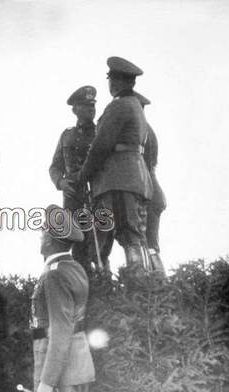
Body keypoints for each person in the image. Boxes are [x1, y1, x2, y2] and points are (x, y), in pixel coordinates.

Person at [75, 56, 154, 273]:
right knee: (134, 238)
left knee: (103, 239)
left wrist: (83, 175)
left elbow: (101, 146)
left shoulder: (118, 107)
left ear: (116, 81)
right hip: (134, 180)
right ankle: (140, 286)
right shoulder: (136, 106)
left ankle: (104, 289)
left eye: (111, 79)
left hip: (116, 182)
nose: (109, 83)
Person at [32, 204, 95, 392]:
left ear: (49, 240)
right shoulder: (75, 268)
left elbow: (60, 332)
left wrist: (47, 382)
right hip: (78, 367)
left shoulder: (54, 274)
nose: (39, 238)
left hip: (60, 373)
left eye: (42, 233)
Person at [49, 86, 97, 274]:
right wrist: (60, 183)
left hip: (95, 195)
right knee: (75, 244)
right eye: (85, 106)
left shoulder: (101, 132)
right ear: (74, 109)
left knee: (98, 244)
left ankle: (102, 284)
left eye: (92, 106)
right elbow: (54, 166)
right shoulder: (66, 135)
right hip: (72, 199)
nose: (90, 110)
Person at [133, 91, 166, 274]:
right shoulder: (147, 129)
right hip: (153, 191)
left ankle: (154, 285)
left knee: (146, 244)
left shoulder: (141, 131)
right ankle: (158, 285)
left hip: (147, 191)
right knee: (151, 245)